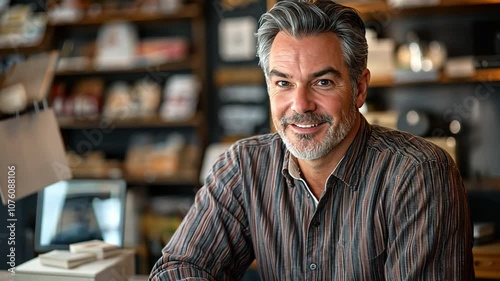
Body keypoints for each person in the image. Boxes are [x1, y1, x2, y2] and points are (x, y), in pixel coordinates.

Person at [149, 0, 474, 280]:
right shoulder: (243, 166)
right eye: (283, 83)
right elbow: (179, 266)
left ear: (359, 88)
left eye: (322, 82)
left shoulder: (418, 173)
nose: (301, 104)